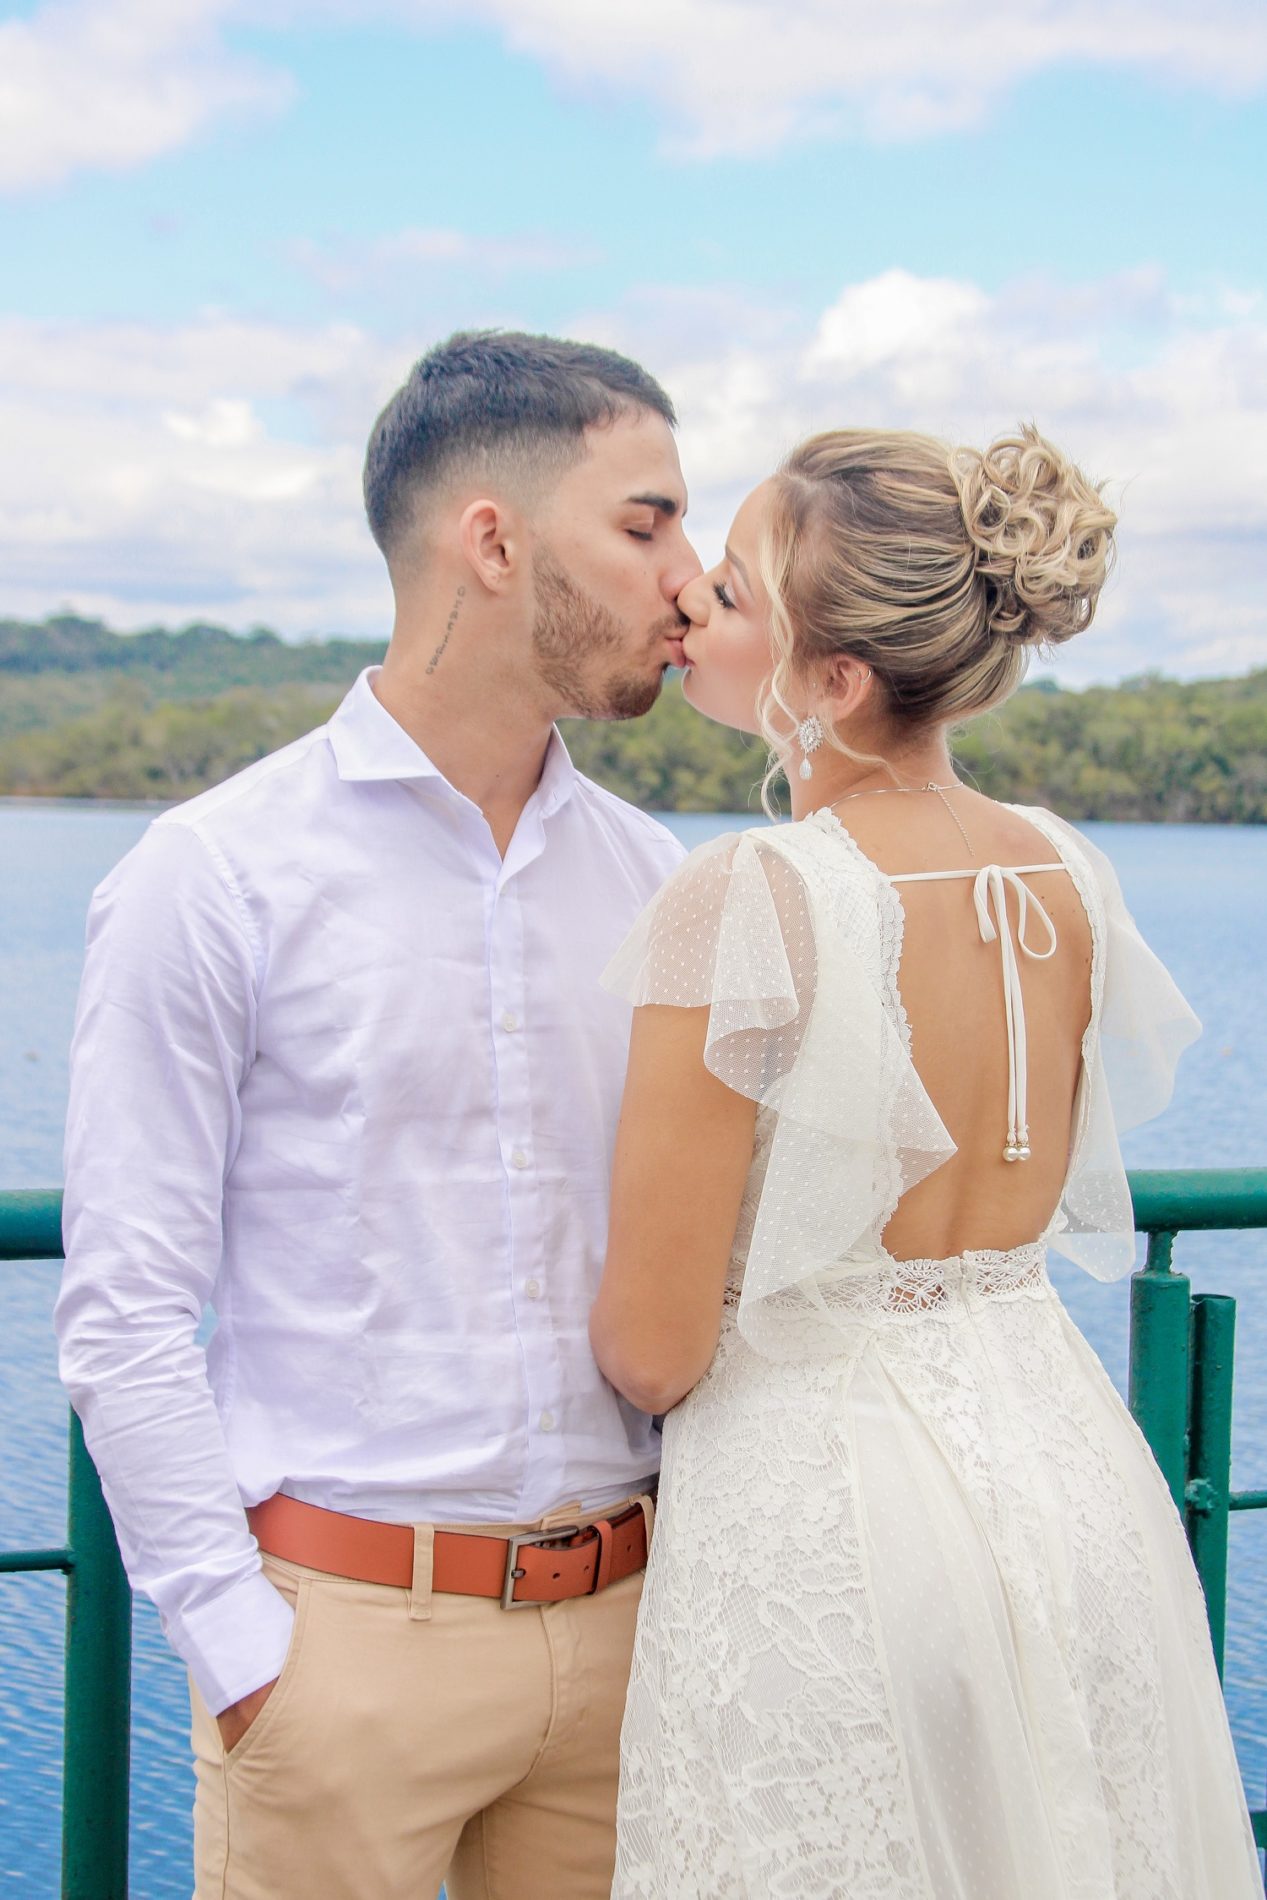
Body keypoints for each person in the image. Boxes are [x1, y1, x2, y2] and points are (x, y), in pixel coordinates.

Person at [55, 330, 700, 1900]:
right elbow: (124, 1307)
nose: (693, 580)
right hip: (342, 1659)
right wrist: (243, 1648)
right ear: (491, 541)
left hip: (631, 1643)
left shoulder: (662, 883)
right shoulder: (211, 878)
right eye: (647, 522)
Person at [590, 425, 1262, 1896]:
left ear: (832, 683)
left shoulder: (749, 896)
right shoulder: (1067, 867)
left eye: (735, 590)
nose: (691, 602)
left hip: (829, 1526)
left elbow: (649, 1349)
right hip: (1075, 1483)